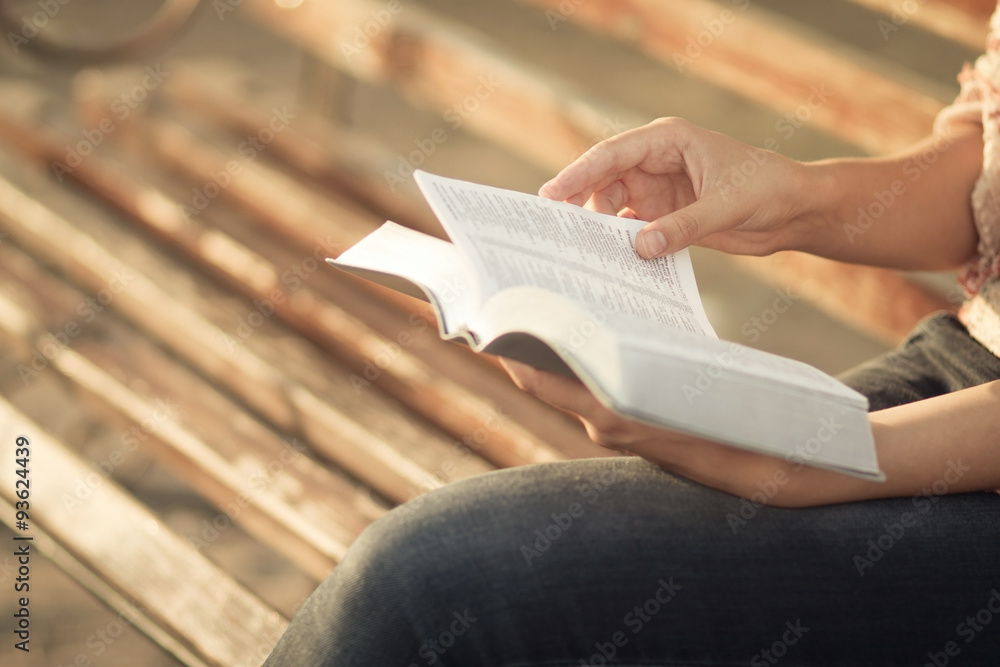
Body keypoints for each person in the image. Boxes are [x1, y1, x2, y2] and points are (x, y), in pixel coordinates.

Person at [264, 10, 1000, 666]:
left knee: (429, 584)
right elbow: (984, 172)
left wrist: (839, 462)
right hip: (963, 368)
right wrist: (796, 199)